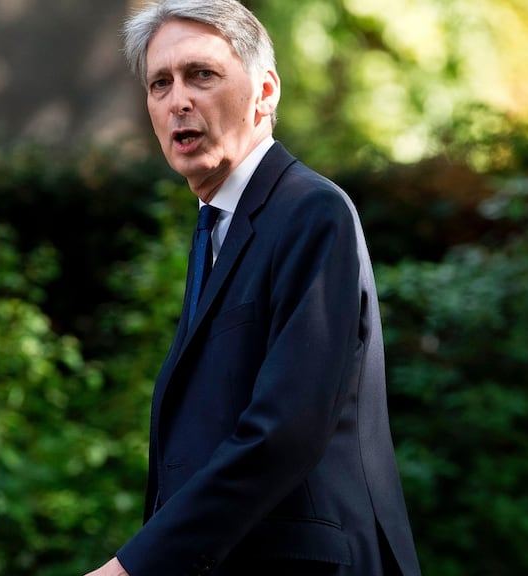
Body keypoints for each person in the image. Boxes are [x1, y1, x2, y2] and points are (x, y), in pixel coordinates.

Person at [87, 1, 420, 574]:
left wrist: (136, 565)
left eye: (202, 75)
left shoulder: (312, 211)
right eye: (159, 84)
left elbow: (284, 429)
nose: (178, 101)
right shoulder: (215, 224)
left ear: (265, 93)